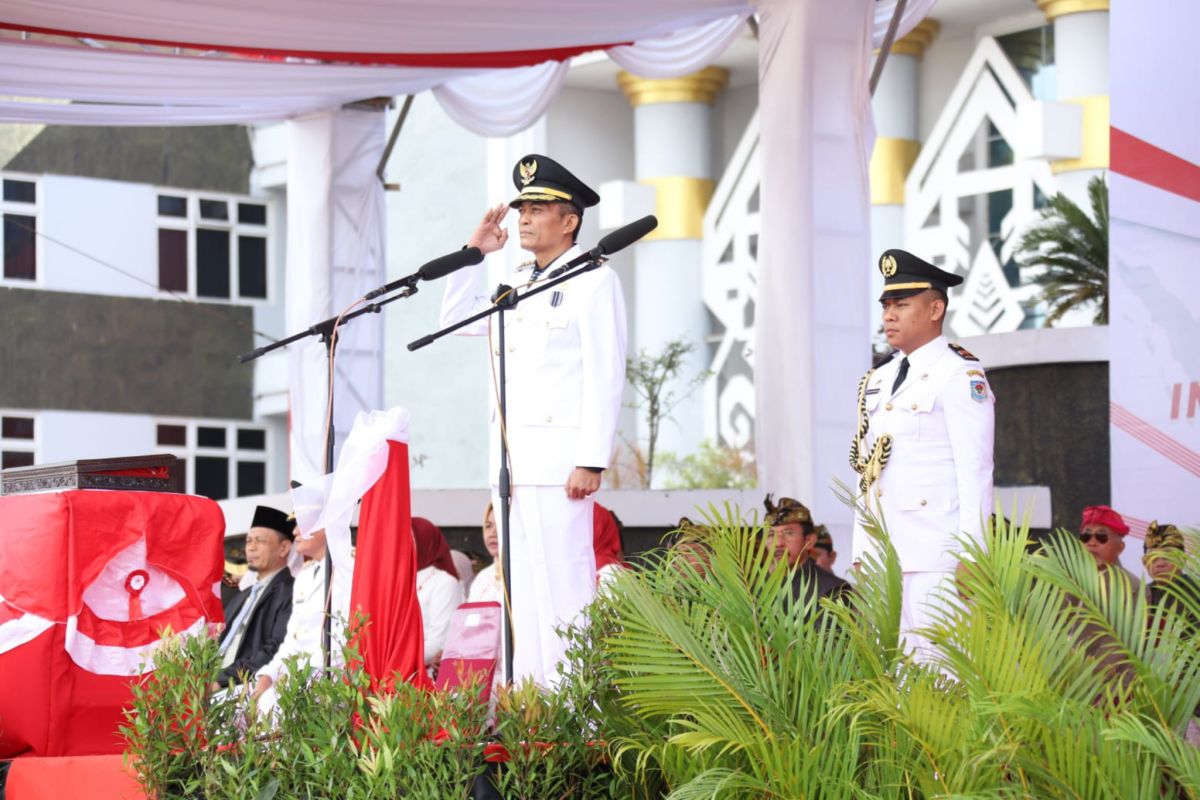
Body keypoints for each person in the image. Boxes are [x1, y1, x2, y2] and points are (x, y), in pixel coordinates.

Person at [440, 154, 627, 687]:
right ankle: (531, 706)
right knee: (519, 593)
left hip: (561, 466)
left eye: (538, 207)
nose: (523, 216)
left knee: (565, 591)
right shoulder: (517, 283)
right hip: (511, 465)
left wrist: (592, 459)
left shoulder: (595, 283)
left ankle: (576, 714)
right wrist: (474, 254)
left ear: (569, 221)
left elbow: (605, 374)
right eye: (521, 206)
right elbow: (453, 321)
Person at [849, 249, 995, 656]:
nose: (889, 315)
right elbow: (867, 475)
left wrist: (973, 555)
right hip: (885, 558)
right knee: (888, 682)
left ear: (935, 309)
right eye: (886, 306)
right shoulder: (877, 379)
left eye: (901, 305)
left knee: (937, 682)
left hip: (937, 559)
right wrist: (863, 552)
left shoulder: (959, 373)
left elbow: (976, 470)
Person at [252, 523, 351, 712]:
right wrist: (268, 676)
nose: (295, 532)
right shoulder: (305, 576)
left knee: (270, 705)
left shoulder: (349, 568)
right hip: (300, 674)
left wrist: (295, 676)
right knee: (240, 701)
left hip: (331, 675)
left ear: (326, 525)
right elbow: (292, 642)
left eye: (303, 524)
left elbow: (343, 641)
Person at [213, 506, 295, 690]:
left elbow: (276, 647)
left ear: (283, 548)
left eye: (260, 541)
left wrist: (221, 680)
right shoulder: (243, 595)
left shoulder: (291, 590)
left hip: (246, 686)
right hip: (215, 684)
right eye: (249, 540)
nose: (251, 547)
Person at [764, 495, 850, 610]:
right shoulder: (755, 587)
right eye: (771, 535)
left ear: (809, 541)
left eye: (788, 533)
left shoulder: (832, 589)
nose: (778, 543)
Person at [412, 518, 464, 677]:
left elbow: (440, 643)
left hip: (426, 679)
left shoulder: (443, 582)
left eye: (409, 539)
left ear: (424, 541)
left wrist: (394, 659)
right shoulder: (400, 582)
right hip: (398, 677)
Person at [1078, 505, 1140, 592]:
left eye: (1101, 536)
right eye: (1086, 536)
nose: (1092, 543)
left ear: (1120, 547)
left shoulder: (1133, 588)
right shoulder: (1065, 581)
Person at [468, 502, 503, 604]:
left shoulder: (526, 573)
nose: (492, 533)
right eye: (488, 526)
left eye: (501, 526)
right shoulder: (483, 577)